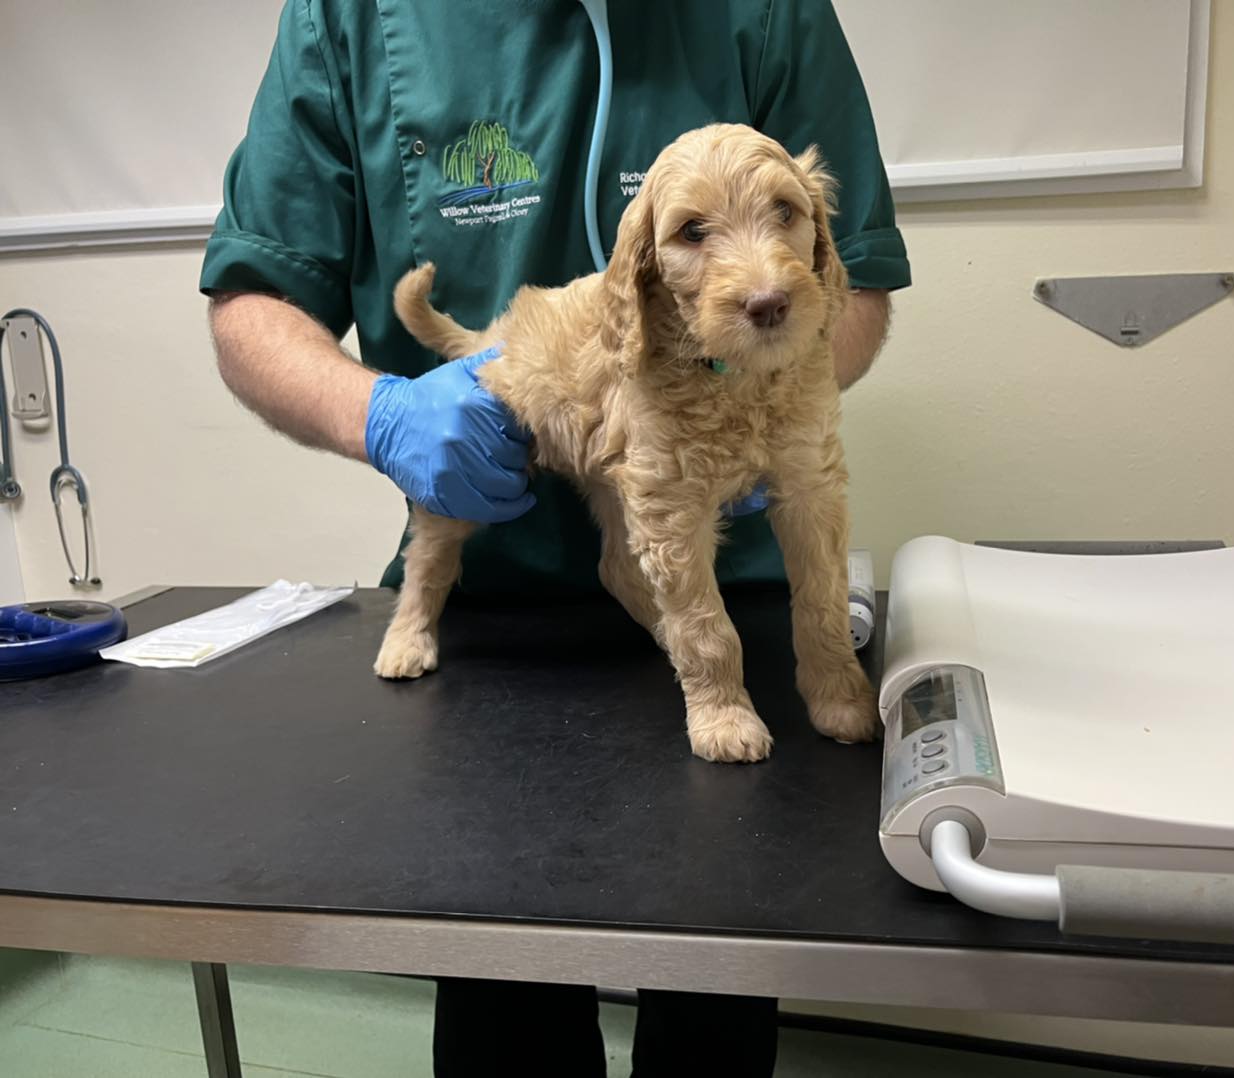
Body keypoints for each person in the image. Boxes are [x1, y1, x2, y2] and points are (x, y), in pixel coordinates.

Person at [200, 2, 910, 1075]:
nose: (754, 266)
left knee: (719, 988)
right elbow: (252, 302)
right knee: (504, 1018)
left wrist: (771, 406)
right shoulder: (350, 16)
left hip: (735, 601)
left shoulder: (768, 13)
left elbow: (847, 283)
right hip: (499, 641)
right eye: (699, 234)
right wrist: (385, 415)